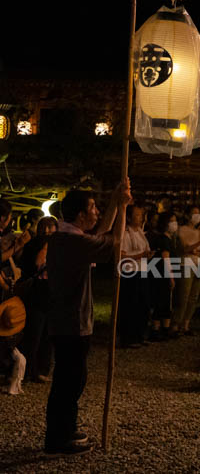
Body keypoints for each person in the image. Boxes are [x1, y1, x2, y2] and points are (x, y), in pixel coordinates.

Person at [45, 181, 131, 455]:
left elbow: (100, 234)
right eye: (93, 207)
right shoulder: (72, 241)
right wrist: (123, 207)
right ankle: (58, 439)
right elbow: (113, 243)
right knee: (70, 381)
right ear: (80, 215)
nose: (97, 212)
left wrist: (117, 203)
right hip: (72, 321)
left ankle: (65, 429)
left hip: (66, 320)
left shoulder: (66, 237)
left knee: (70, 379)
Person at [16, 216, 57, 381]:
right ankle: (30, 370)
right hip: (37, 292)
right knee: (35, 332)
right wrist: (46, 245)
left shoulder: (59, 247)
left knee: (48, 333)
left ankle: (42, 369)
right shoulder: (33, 245)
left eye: (51, 229)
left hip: (51, 292)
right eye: (45, 228)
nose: (47, 232)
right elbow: (35, 263)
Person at [117, 205, 151, 348]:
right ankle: (127, 337)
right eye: (137, 215)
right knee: (130, 304)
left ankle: (139, 334)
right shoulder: (125, 234)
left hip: (142, 271)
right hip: (130, 273)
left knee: (142, 304)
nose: (140, 217)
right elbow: (122, 255)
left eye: (141, 214)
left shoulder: (140, 233)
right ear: (129, 217)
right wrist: (140, 255)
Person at [170, 205, 200, 336]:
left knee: (194, 297)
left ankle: (186, 324)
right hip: (186, 264)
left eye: (198, 213)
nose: (197, 216)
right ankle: (175, 324)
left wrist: (195, 249)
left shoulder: (197, 231)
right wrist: (196, 247)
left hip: (199, 264)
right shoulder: (181, 230)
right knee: (183, 295)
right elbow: (185, 248)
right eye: (194, 213)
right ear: (187, 215)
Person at [146, 212, 176, 341]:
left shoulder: (165, 238)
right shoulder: (164, 239)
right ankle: (156, 329)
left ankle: (162, 329)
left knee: (163, 301)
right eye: (172, 221)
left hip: (159, 273)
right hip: (162, 275)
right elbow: (166, 259)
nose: (175, 224)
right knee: (162, 300)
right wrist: (171, 277)